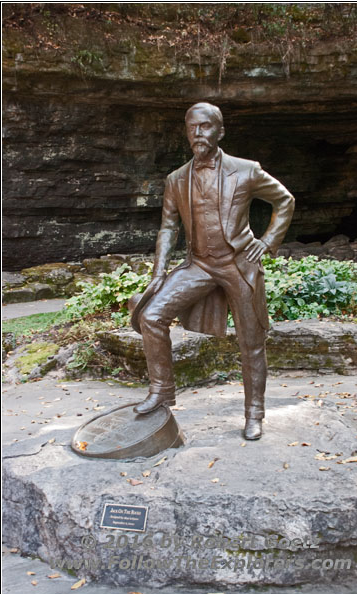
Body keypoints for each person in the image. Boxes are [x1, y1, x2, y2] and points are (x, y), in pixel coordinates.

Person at [130, 102, 295, 440]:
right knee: (151, 316)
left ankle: (254, 414)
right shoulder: (176, 179)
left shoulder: (246, 170)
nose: (197, 133)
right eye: (192, 127)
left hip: (239, 264)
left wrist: (266, 242)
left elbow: (285, 200)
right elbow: (167, 227)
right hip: (199, 265)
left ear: (220, 131)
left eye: (205, 127)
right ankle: (162, 390)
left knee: (251, 341)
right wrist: (159, 268)